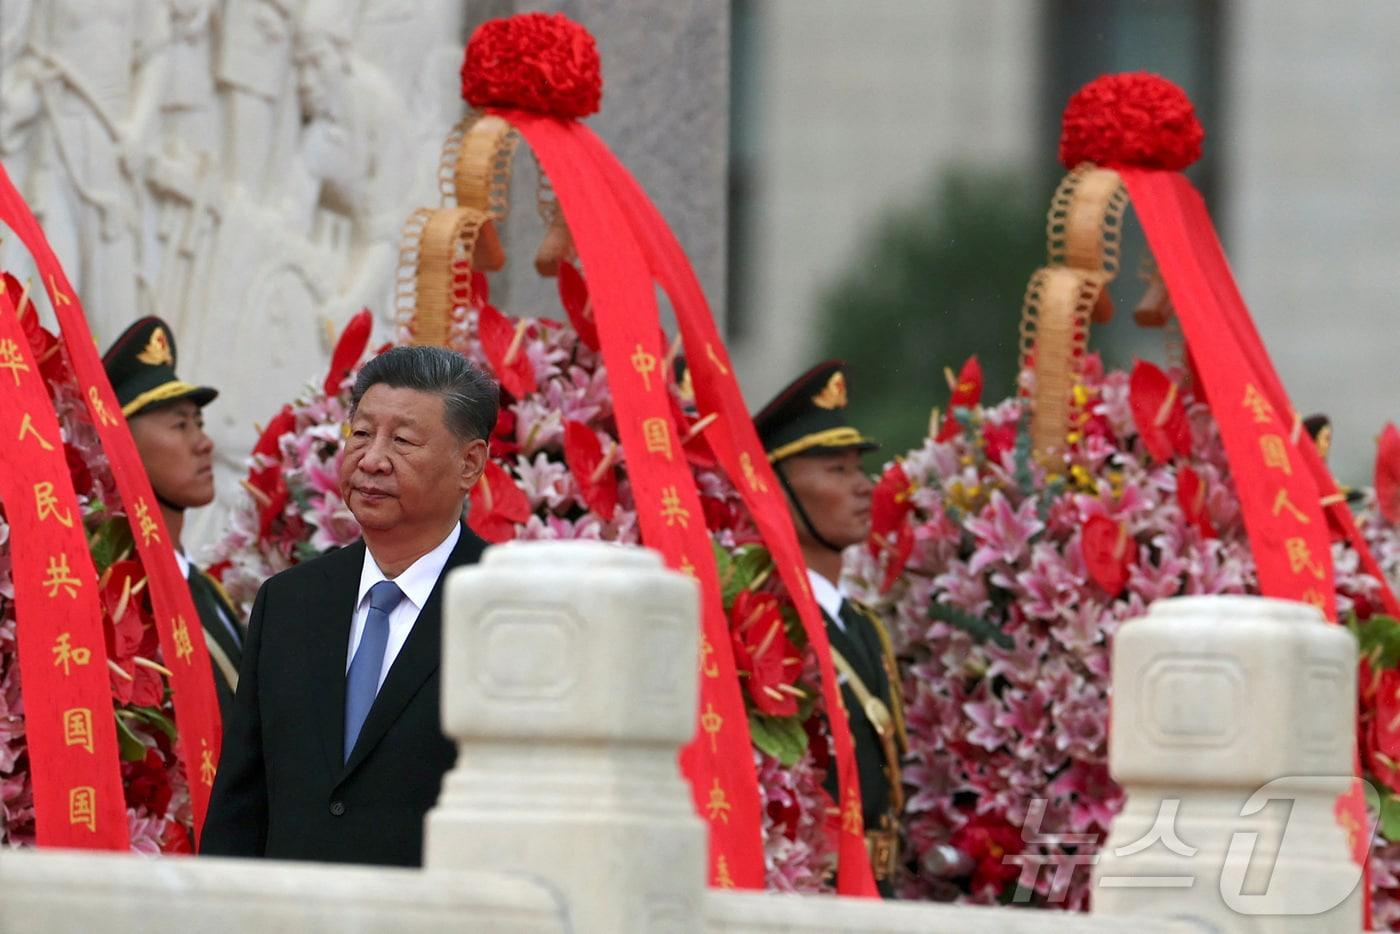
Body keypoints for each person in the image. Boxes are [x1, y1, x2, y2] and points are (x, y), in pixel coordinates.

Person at [200, 345, 495, 866]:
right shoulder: (288, 604)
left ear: (469, 464)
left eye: (402, 441)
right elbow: (240, 806)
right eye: (360, 434)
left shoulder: (506, 609)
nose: (372, 459)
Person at [753, 360, 907, 896]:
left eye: (858, 468)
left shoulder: (861, 624)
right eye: (836, 472)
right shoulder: (770, 626)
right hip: (814, 890)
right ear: (774, 489)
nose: (864, 487)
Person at [102, 316, 242, 715]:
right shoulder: (125, 603)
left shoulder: (206, 590)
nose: (204, 443)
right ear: (121, 445)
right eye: (180, 425)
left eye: (198, 422)